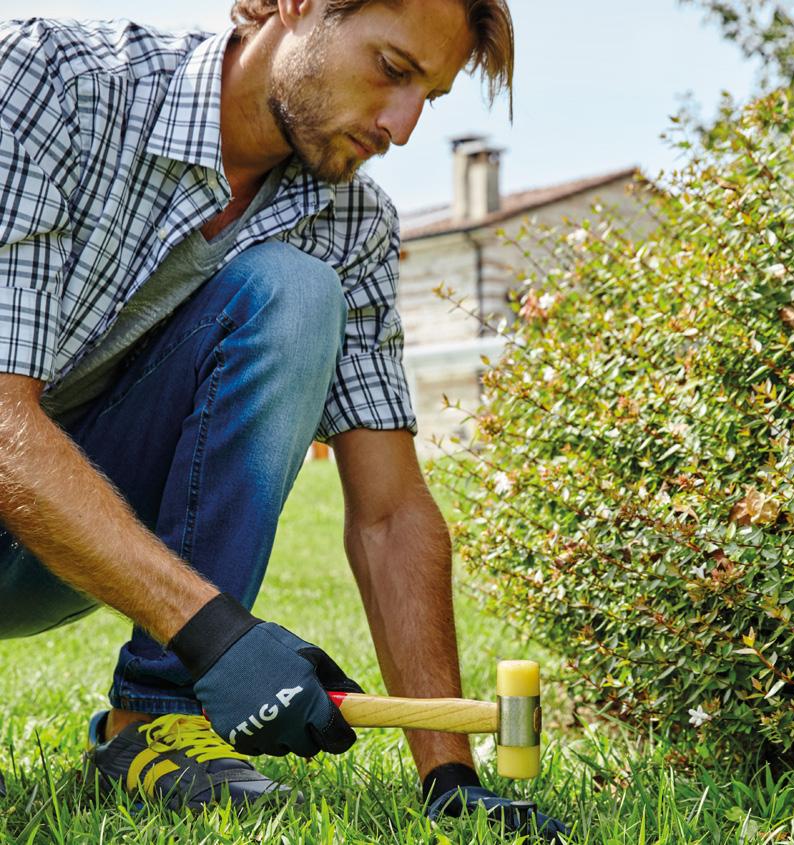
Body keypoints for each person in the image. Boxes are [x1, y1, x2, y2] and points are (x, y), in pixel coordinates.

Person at [0, 0, 568, 838]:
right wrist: (218, 633)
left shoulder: (348, 223)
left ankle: (154, 720)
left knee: (295, 291)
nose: (403, 127)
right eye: (392, 70)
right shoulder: (51, 81)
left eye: (430, 99)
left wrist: (448, 769)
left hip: (56, 547)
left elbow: (390, 512)